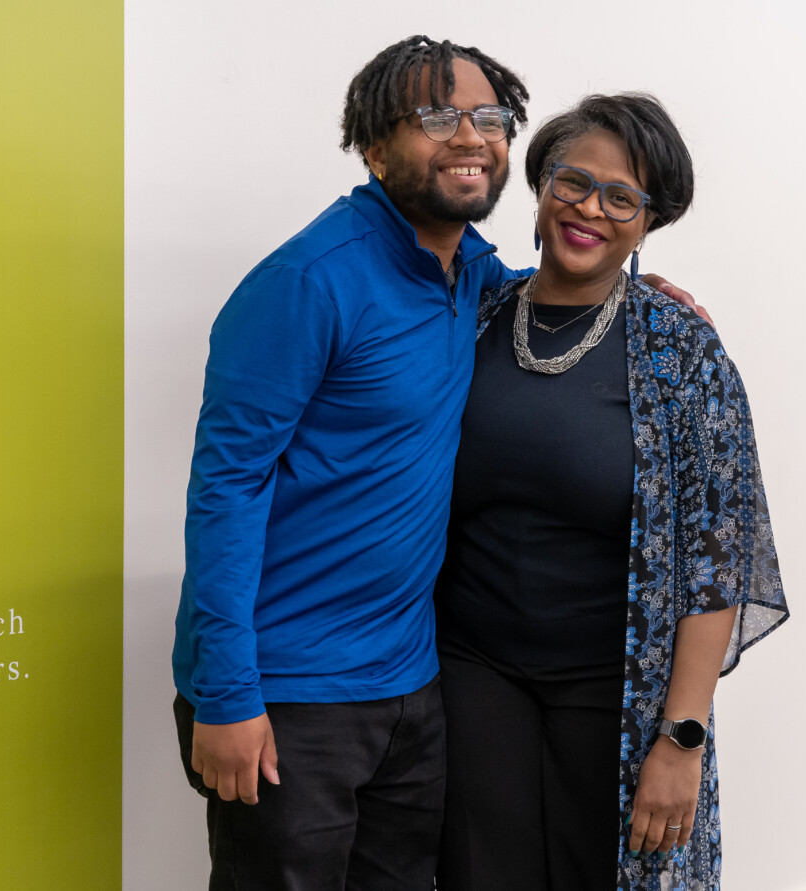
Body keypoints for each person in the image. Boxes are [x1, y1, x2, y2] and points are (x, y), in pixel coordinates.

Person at [172, 37, 703, 890]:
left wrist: (641, 294)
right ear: (375, 147)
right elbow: (226, 487)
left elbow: (561, 285)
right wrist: (226, 691)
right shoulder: (309, 280)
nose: (469, 137)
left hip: (417, 689)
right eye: (435, 116)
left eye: (488, 118)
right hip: (291, 692)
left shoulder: (474, 281)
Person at [433, 93, 789, 891]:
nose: (589, 209)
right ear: (540, 184)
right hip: (472, 674)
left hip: (618, 691)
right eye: (574, 181)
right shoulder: (474, 314)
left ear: (647, 222)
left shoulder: (681, 350)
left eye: (620, 197)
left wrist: (682, 738)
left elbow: (719, 556)